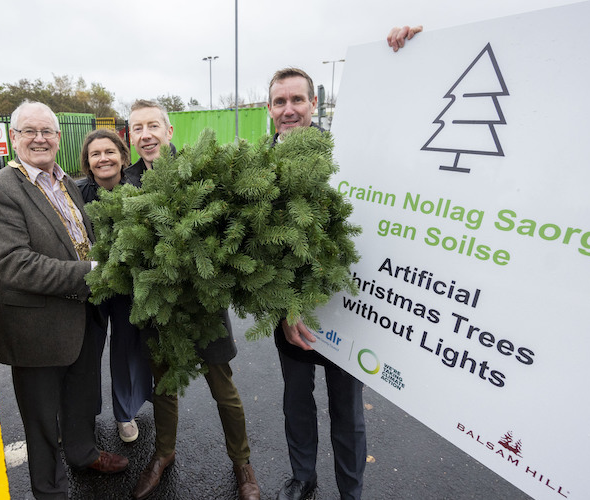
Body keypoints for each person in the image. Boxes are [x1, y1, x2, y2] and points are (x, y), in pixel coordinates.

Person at [269, 23, 420, 498]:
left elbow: (398, 127)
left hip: (346, 304)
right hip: (285, 308)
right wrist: (285, 307)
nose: (289, 109)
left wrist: (408, 57)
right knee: (296, 402)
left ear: (315, 105)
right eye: (280, 101)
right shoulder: (253, 165)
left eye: (298, 99)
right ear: (269, 109)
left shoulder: (348, 153)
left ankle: (350, 491)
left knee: (346, 409)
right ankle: (303, 478)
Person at [0, 101, 128, 500]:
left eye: (47, 132)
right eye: (30, 131)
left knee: (81, 401)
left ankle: (83, 453)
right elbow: (14, 264)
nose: (39, 138)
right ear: (14, 138)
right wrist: (94, 272)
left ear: (59, 138)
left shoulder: (68, 184)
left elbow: (84, 240)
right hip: (36, 330)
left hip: (83, 318)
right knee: (42, 422)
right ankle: (50, 490)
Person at [125, 99, 260, 500]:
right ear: (130, 137)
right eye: (137, 128)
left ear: (169, 132)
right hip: (157, 309)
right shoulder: (126, 183)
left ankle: (243, 463)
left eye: (153, 126)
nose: (145, 135)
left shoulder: (200, 172)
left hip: (205, 307)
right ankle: (163, 455)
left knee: (224, 391)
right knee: (163, 387)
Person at [76, 128, 153, 443]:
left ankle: (125, 414)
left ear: (123, 156)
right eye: (95, 154)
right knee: (87, 351)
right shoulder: (76, 194)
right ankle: (84, 415)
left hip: (127, 286)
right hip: (89, 284)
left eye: (109, 152)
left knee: (126, 349)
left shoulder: (139, 190)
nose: (103, 158)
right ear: (88, 162)